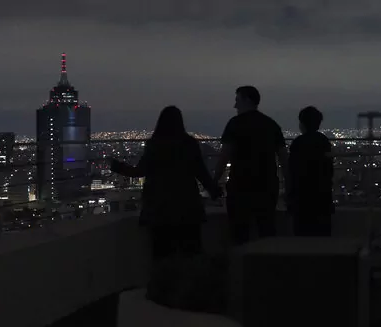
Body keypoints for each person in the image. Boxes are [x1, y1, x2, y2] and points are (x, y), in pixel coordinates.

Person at [111, 106, 221, 261]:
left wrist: (117, 166)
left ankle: (164, 284)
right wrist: (214, 191)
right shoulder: (189, 144)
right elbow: (201, 173)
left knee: (162, 256)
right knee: (192, 254)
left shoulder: (155, 145)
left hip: (159, 209)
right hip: (187, 206)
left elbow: (139, 171)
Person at [214, 86, 289, 245]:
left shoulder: (234, 124)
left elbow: (223, 156)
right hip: (267, 186)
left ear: (247, 100)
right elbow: (284, 159)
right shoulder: (271, 124)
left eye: (237, 100)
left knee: (239, 234)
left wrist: (214, 181)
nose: (235, 106)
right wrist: (289, 185)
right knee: (267, 231)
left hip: (240, 186)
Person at [288, 106, 334, 236]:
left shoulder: (298, 143)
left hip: (302, 196)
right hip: (322, 195)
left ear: (301, 123)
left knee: (302, 234)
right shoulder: (324, 141)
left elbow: (293, 170)